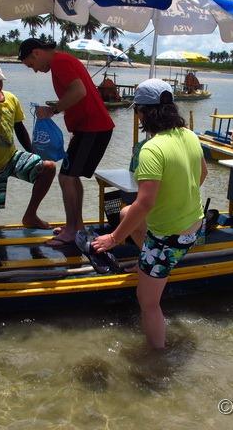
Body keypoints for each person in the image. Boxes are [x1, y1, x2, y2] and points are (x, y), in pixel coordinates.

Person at [91, 79, 208, 349]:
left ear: (143, 113)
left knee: (148, 303)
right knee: (124, 213)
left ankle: (158, 356)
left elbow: (145, 203)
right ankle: (149, 261)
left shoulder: (152, 149)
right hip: (194, 224)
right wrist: (179, 198)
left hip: (169, 238)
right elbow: (202, 174)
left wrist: (113, 239)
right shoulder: (189, 135)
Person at [18, 38, 115, 246]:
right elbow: (77, 93)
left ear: (36, 53)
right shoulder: (62, 61)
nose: (34, 70)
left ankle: (72, 231)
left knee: (66, 178)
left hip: (93, 127)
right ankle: (76, 226)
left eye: (31, 65)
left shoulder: (60, 62)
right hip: (89, 128)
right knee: (70, 176)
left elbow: (79, 92)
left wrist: (53, 110)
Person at [0, 62, 55, 228]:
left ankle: (30, 216)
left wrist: (33, 152)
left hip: (11, 158)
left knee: (48, 168)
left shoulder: (11, 98)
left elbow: (19, 128)